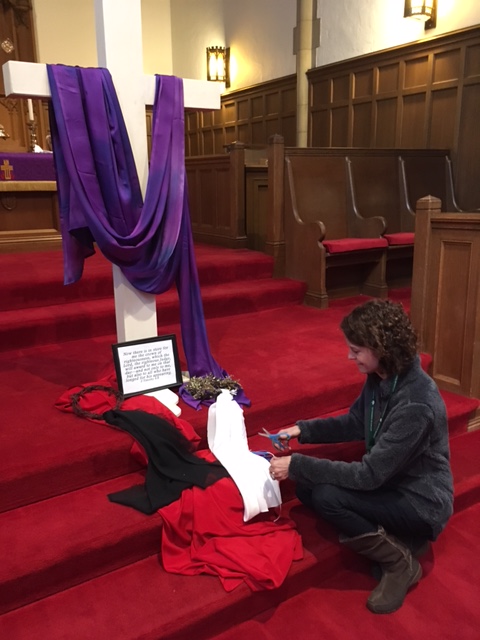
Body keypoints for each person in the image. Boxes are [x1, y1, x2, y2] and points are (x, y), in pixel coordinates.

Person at [269, 298, 454, 614]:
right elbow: (357, 422)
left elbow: (368, 476)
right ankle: (404, 538)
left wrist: (297, 463)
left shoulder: (417, 403)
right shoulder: (383, 374)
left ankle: (399, 562)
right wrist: (303, 430)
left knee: (326, 496)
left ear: (381, 349)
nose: (349, 356)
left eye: (356, 350)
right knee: (307, 487)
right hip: (392, 481)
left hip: (421, 501)